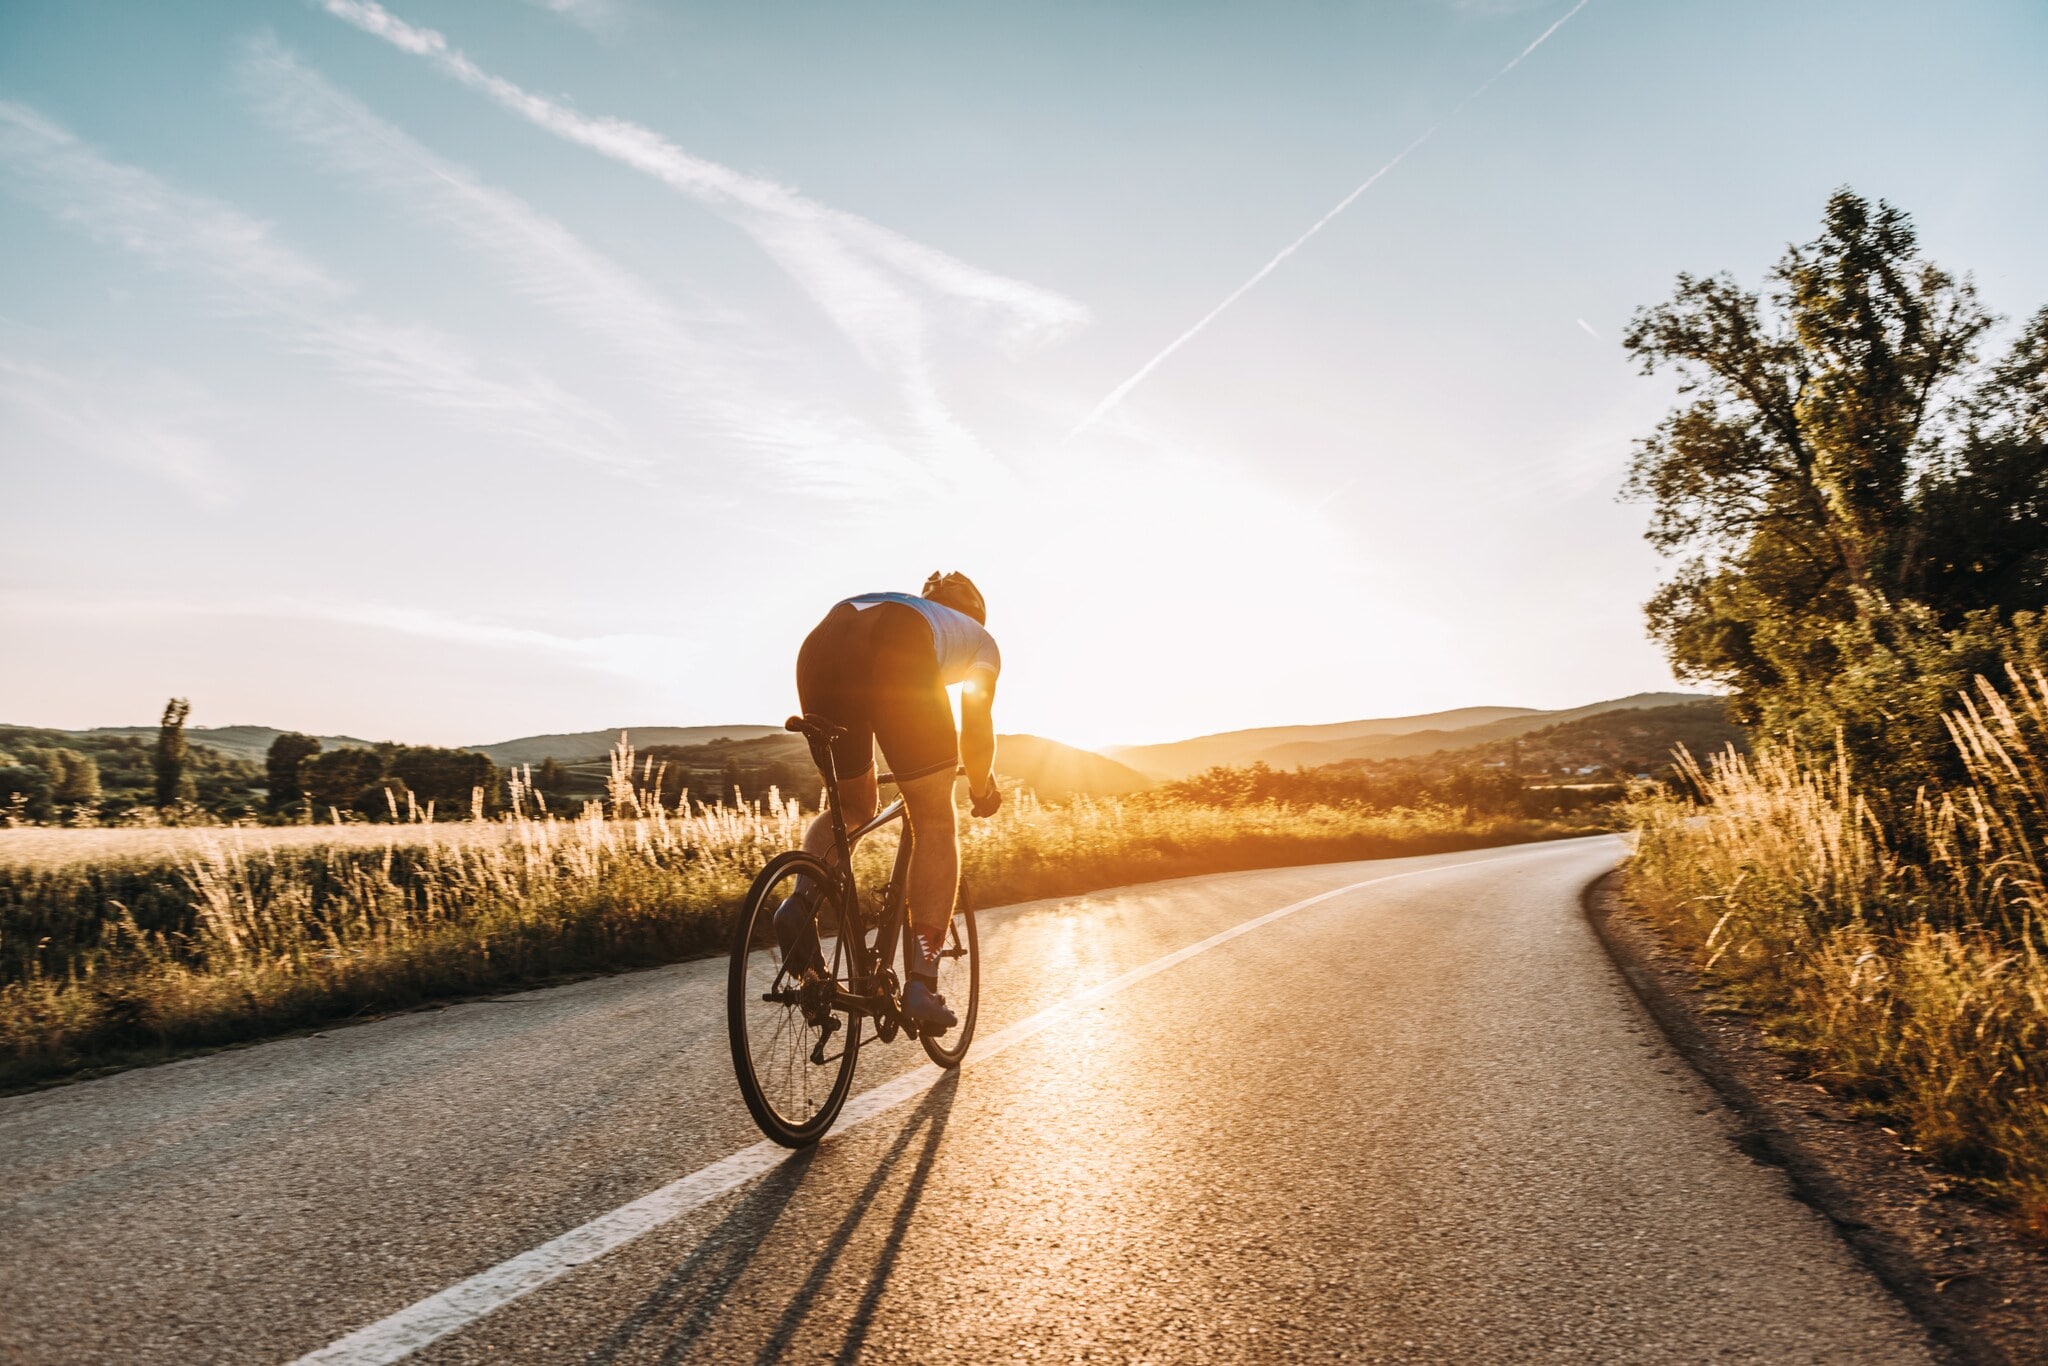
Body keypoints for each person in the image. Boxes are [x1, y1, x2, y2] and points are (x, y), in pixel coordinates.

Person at [776, 571, 1002, 1033]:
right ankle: (922, 982)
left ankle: (799, 904)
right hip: (898, 650)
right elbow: (976, 724)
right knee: (935, 820)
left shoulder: (904, 604)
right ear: (974, 612)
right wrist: (982, 788)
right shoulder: (980, 639)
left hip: (821, 646)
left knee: (854, 807)